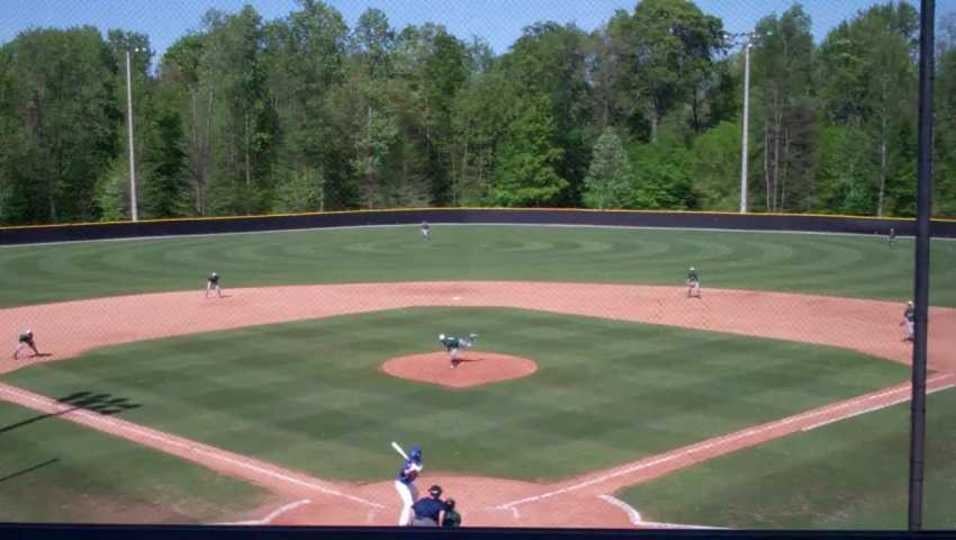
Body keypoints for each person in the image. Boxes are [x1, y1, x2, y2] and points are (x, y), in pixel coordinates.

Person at [394, 445, 423, 526]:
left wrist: (414, 469)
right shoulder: (407, 464)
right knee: (408, 503)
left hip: (408, 483)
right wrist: (409, 470)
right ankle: (402, 524)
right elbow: (403, 474)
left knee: (416, 493)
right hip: (401, 484)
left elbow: (417, 471)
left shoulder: (419, 463)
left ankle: (412, 516)